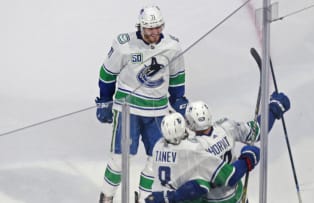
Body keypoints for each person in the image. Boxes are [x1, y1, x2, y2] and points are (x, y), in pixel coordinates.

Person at [95, 5, 189, 203]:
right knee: (119, 160)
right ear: (140, 27)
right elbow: (107, 74)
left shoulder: (173, 46)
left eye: (158, 28)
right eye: (149, 29)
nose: (154, 33)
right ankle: (107, 198)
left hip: (158, 112)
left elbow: (177, 78)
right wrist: (104, 100)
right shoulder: (124, 44)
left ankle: (146, 199)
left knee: (157, 158)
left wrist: (179, 100)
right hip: (128, 111)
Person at [146, 91, 290, 203]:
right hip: (236, 194)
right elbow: (257, 131)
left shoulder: (192, 147)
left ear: (188, 124)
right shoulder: (227, 127)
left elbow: (196, 186)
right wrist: (273, 110)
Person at [145, 113, 260, 203]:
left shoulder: (158, 146)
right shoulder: (193, 150)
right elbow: (229, 177)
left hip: (156, 198)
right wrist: (249, 158)